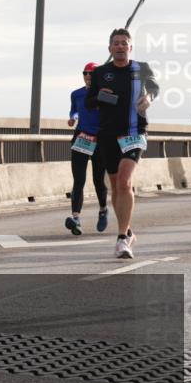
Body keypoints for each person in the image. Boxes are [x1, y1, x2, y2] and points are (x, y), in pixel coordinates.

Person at [85, 28, 159, 259]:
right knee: (116, 187)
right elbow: (89, 102)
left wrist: (149, 98)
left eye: (124, 43)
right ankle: (127, 231)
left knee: (125, 183)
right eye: (116, 43)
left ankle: (121, 239)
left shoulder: (141, 68)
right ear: (110, 48)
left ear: (130, 47)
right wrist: (100, 96)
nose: (120, 46)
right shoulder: (100, 73)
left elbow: (155, 88)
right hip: (108, 134)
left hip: (135, 131)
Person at [65, 62, 109, 235]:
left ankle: (103, 209)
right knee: (79, 180)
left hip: (100, 139)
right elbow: (74, 111)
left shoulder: (104, 94)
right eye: (85, 73)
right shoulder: (76, 94)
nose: (88, 76)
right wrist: (72, 118)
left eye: (92, 73)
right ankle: (76, 218)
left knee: (98, 179)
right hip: (82, 137)